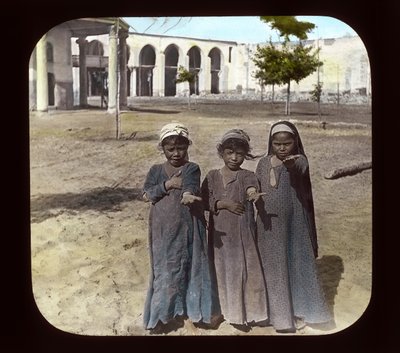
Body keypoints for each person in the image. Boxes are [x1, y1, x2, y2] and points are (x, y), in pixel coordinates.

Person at [255, 121, 332, 333]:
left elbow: (299, 168)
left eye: (287, 143)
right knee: (272, 268)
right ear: (271, 143)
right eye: (277, 144)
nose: (282, 148)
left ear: (295, 142)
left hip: (293, 225)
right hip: (267, 226)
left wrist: (291, 164)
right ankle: (275, 315)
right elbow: (255, 185)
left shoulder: (299, 161)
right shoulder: (262, 163)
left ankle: (303, 312)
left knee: (295, 265)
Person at [142, 122, 219, 333]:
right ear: (162, 149)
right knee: (165, 269)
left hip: (188, 226)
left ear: (188, 146)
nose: (176, 153)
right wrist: (167, 185)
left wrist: (186, 194)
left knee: (190, 266)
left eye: (181, 148)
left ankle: (189, 313)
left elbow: (191, 185)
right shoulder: (156, 170)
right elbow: (147, 194)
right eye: (170, 149)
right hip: (162, 228)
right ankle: (161, 316)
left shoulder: (191, 168)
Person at [201, 129, 268, 329]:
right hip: (220, 237)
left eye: (239, 153)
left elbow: (251, 188)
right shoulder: (212, 176)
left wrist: (253, 194)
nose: (234, 157)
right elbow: (205, 200)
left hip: (242, 235)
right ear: (221, 153)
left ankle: (248, 313)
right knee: (220, 271)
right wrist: (223, 204)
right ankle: (222, 311)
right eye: (229, 152)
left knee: (245, 270)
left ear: (245, 155)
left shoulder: (247, 175)